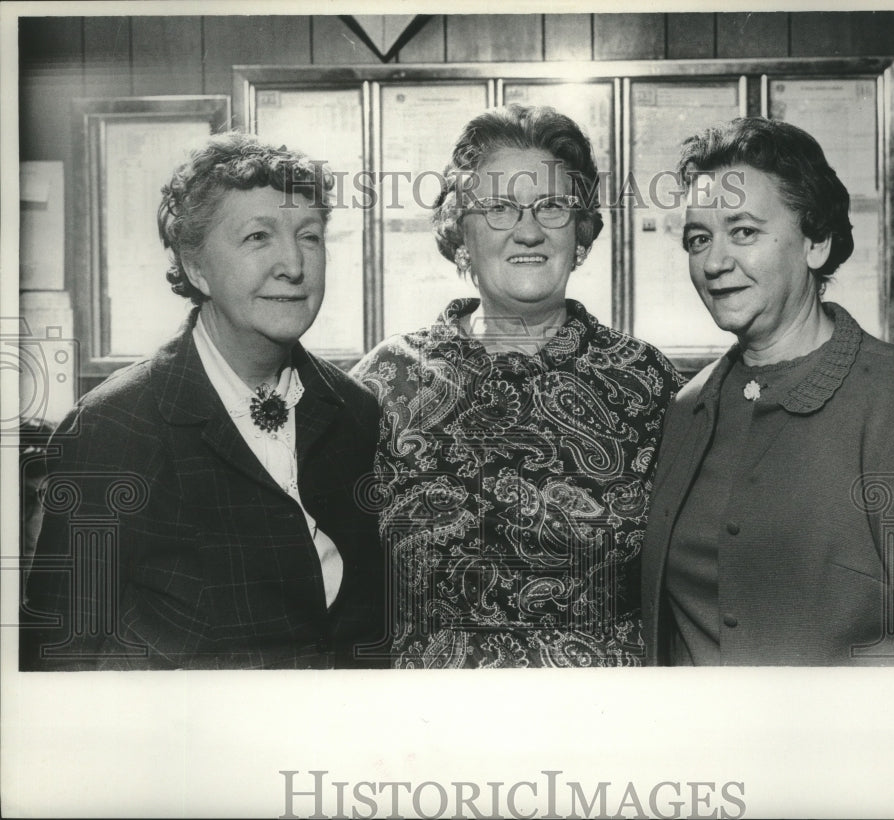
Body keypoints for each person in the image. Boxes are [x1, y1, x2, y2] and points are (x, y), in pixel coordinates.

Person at [21, 132, 384, 670]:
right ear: (196, 267)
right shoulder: (113, 428)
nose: (293, 263)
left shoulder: (354, 410)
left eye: (309, 236)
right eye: (258, 236)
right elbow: (61, 657)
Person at [351, 104, 683, 668]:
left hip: (604, 724)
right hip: (426, 728)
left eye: (552, 207)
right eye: (499, 208)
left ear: (581, 232)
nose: (528, 230)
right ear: (461, 233)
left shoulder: (649, 384)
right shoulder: (388, 379)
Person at [641, 117, 894, 666]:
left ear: (816, 243)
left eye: (744, 231)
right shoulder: (688, 407)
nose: (714, 262)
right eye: (699, 239)